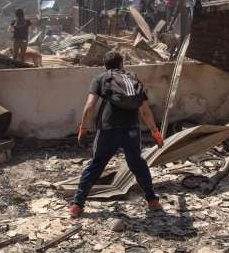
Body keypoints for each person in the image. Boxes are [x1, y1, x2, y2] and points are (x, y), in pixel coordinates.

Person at [70, 51, 164, 218]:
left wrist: (83, 128)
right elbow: (144, 109)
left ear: (105, 66)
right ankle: (152, 201)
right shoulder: (132, 79)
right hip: (132, 129)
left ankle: (77, 204)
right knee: (137, 164)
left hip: (108, 128)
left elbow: (90, 106)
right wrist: (154, 131)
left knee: (97, 164)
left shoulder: (100, 79)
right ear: (122, 64)